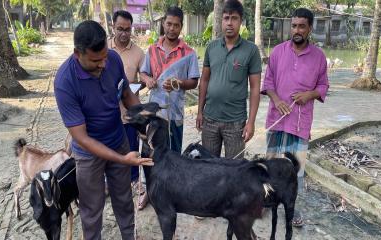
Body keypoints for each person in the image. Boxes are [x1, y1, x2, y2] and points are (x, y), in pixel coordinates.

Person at [54, 20, 152, 240]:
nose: (103, 64)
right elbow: (82, 138)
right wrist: (122, 159)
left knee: (124, 198)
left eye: (105, 57)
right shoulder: (65, 82)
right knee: (91, 208)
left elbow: (126, 93)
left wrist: (144, 120)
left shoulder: (112, 59)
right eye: (96, 60)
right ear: (77, 53)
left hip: (118, 140)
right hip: (88, 154)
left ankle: (129, 236)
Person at [261, 8, 329, 227]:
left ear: (310, 28)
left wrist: (309, 94)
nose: (297, 30)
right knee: (270, 162)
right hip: (277, 118)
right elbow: (268, 82)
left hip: (300, 122)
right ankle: (266, 201)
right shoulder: (278, 52)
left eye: (302, 26)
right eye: (294, 25)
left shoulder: (319, 57)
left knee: (296, 169)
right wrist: (277, 99)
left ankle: (291, 205)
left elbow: (323, 85)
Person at [196, 0, 262, 159]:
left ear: (241, 22)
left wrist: (251, 122)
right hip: (210, 119)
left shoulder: (251, 50)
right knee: (209, 167)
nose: (229, 23)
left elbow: (254, 88)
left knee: (234, 171)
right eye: (226, 18)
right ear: (221, 21)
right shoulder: (212, 47)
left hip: (236, 123)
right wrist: (199, 112)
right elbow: (204, 81)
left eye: (234, 18)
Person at [140, 6, 200, 153]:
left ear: (181, 27)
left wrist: (178, 83)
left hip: (175, 112)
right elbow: (143, 73)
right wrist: (148, 79)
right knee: (151, 153)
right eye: (169, 24)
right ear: (163, 24)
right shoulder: (152, 50)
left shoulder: (189, 53)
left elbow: (194, 82)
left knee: (173, 153)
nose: (172, 28)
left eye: (176, 25)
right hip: (154, 111)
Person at [108, 10, 146, 206]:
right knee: (109, 145)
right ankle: (110, 181)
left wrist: (132, 88)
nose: (124, 33)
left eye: (127, 29)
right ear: (113, 27)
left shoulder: (139, 53)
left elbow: (144, 79)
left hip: (129, 111)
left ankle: (134, 180)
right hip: (107, 111)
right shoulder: (103, 48)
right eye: (120, 29)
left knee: (131, 146)